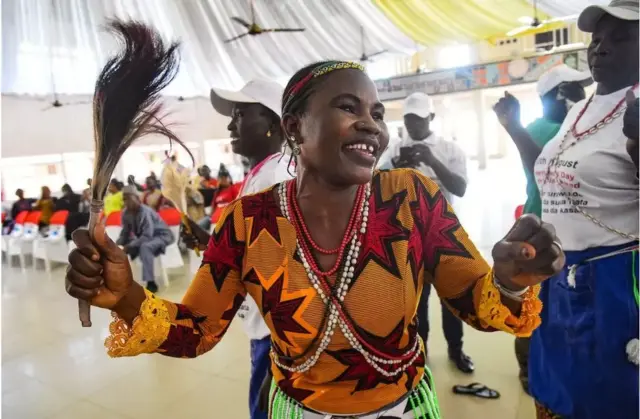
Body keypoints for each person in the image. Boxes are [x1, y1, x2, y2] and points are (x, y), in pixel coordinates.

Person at [66, 61, 563, 418]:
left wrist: (510, 281)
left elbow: (478, 303)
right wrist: (127, 297)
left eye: (377, 112)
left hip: (405, 409)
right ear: (294, 128)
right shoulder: (249, 220)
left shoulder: (411, 196)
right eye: (349, 108)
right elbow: (196, 330)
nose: (371, 123)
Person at [495, 1, 639, 417]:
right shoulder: (578, 110)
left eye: (621, 38)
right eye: (597, 39)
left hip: (615, 282)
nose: (601, 48)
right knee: (553, 390)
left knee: (607, 398)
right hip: (556, 277)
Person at [184, 78, 292, 419]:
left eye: (241, 114)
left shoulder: (279, 181)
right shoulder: (262, 175)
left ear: (274, 124)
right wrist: (213, 246)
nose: (231, 124)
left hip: (278, 340)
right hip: (263, 329)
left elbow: (294, 277)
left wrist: (281, 364)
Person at [495, 64, 592, 393]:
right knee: (533, 304)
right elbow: (544, 169)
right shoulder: (542, 128)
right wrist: (514, 125)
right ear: (559, 94)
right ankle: (528, 370)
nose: (583, 95)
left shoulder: (571, 127)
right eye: (575, 89)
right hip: (539, 228)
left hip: (569, 229)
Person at [380, 92, 473, 373]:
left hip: (444, 236)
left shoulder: (449, 149)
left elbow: (460, 188)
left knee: (451, 300)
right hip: (408, 237)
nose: (413, 126)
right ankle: (420, 355)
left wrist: (432, 160)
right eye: (408, 120)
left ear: (431, 118)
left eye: (419, 120)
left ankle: (456, 351)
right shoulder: (395, 149)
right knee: (416, 303)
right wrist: (397, 169)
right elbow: (376, 188)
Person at [116, 186, 174, 293]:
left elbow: (147, 235)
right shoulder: (126, 213)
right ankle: (125, 282)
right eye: (124, 199)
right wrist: (118, 245)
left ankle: (151, 283)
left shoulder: (145, 211)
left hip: (162, 235)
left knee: (144, 247)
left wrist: (128, 246)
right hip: (148, 238)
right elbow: (125, 232)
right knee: (126, 248)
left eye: (129, 198)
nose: (126, 201)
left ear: (137, 198)